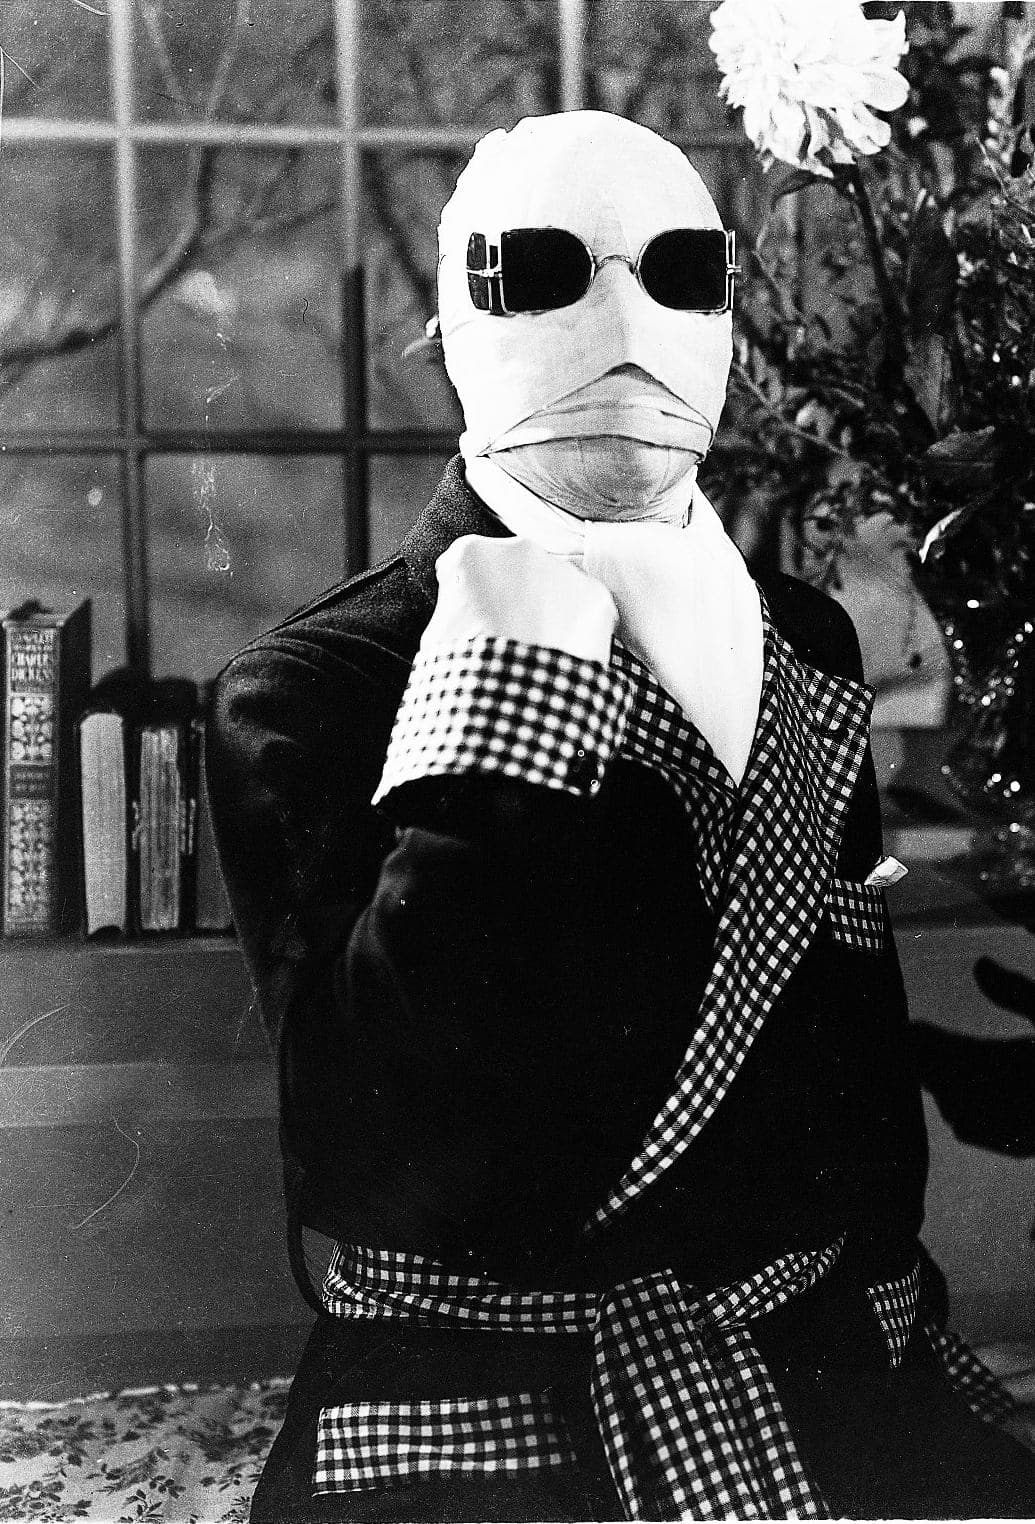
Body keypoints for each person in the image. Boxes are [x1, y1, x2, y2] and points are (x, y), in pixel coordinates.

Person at [207, 111, 1035, 1521]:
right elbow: (387, 1160)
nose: (626, 325)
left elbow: (809, 1038)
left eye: (680, 273)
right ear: (455, 328)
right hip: (496, 1414)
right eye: (542, 270)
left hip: (840, 1363)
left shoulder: (805, 638)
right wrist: (501, 701)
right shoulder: (315, 687)